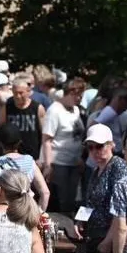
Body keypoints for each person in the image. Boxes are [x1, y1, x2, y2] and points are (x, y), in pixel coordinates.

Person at [80, 123, 127, 253]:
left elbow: (120, 208)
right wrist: (80, 220)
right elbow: (90, 201)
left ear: (111, 145)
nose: (95, 151)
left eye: (99, 146)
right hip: (92, 236)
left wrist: (108, 241)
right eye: (90, 147)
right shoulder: (96, 170)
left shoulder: (118, 166)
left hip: (107, 238)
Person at [40, 78, 88, 214]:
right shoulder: (54, 111)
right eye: (78, 95)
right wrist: (48, 165)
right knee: (61, 200)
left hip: (73, 162)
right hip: (58, 162)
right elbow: (47, 139)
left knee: (71, 200)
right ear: (69, 93)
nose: (79, 99)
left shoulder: (76, 110)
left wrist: (79, 157)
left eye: (81, 96)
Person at [0, 124, 50, 210]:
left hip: (2, 213)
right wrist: (38, 215)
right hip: (25, 212)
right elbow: (45, 193)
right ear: (19, 142)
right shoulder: (30, 162)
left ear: (0, 143)